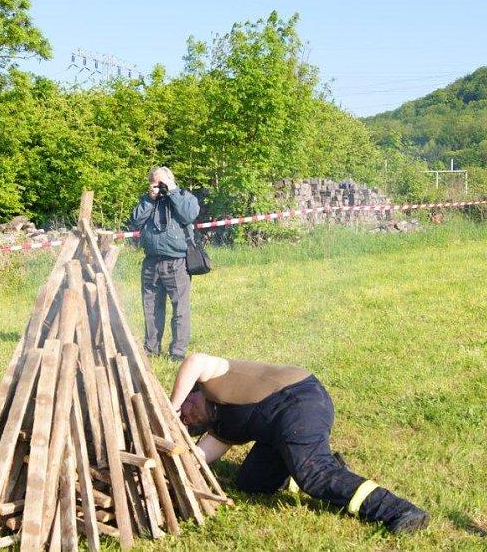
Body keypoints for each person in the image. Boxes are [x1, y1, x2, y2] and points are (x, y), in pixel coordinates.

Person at [170, 353, 431, 535]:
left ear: (192, 392)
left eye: (186, 409)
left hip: (298, 399)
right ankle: (331, 467)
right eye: (186, 422)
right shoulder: (221, 429)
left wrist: (171, 408)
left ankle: (398, 511)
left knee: (314, 473)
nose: (186, 417)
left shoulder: (212, 379)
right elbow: (197, 458)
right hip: (278, 430)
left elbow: (194, 360)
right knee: (251, 482)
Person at [129, 166, 200, 361]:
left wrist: (172, 192)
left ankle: (177, 352)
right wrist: (149, 199)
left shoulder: (184, 197)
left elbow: (189, 215)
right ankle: (151, 349)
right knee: (151, 309)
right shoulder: (148, 200)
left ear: (171, 181)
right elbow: (135, 221)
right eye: (154, 183)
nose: (159, 187)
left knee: (180, 310)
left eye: (161, 183)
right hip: (151, 262)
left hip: (176, 262)